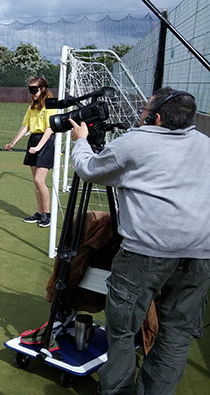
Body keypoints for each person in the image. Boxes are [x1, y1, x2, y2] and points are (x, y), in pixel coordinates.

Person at [69, 87, 210, 395]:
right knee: (177, 332)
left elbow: (89, 169)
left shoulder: (136, 141)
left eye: (146, 111)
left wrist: (81, 141)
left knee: (122, 329)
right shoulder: (206, 143)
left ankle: (116, 390)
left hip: (146, 251)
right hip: (201, 253)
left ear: (155, 117)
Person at [5, 76, 58, 228]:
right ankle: (40, 213)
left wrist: (39, 147)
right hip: (33, 141)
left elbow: (50, 128)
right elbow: (25, 126)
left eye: (34, 89)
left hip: (45, 142)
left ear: (42, 89)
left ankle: (47, 214)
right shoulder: (33, 106)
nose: (32, 93)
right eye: (30, 90)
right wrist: (13, 142)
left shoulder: (50, 105)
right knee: (36, 183)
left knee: (39, 181)